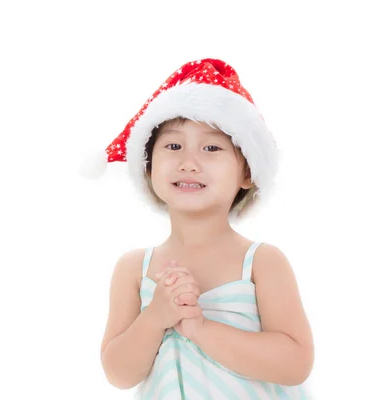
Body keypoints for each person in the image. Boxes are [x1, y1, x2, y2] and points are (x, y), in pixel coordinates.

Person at [81, 59, 314, 399]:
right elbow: (118, 373)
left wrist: (201, 329)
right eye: (173, 146)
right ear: (148, 166)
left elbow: (296, 364)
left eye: (212, 148)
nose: (189, 162)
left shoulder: (262, 262)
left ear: (247, 173)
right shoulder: (134, 269)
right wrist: (156, 317)